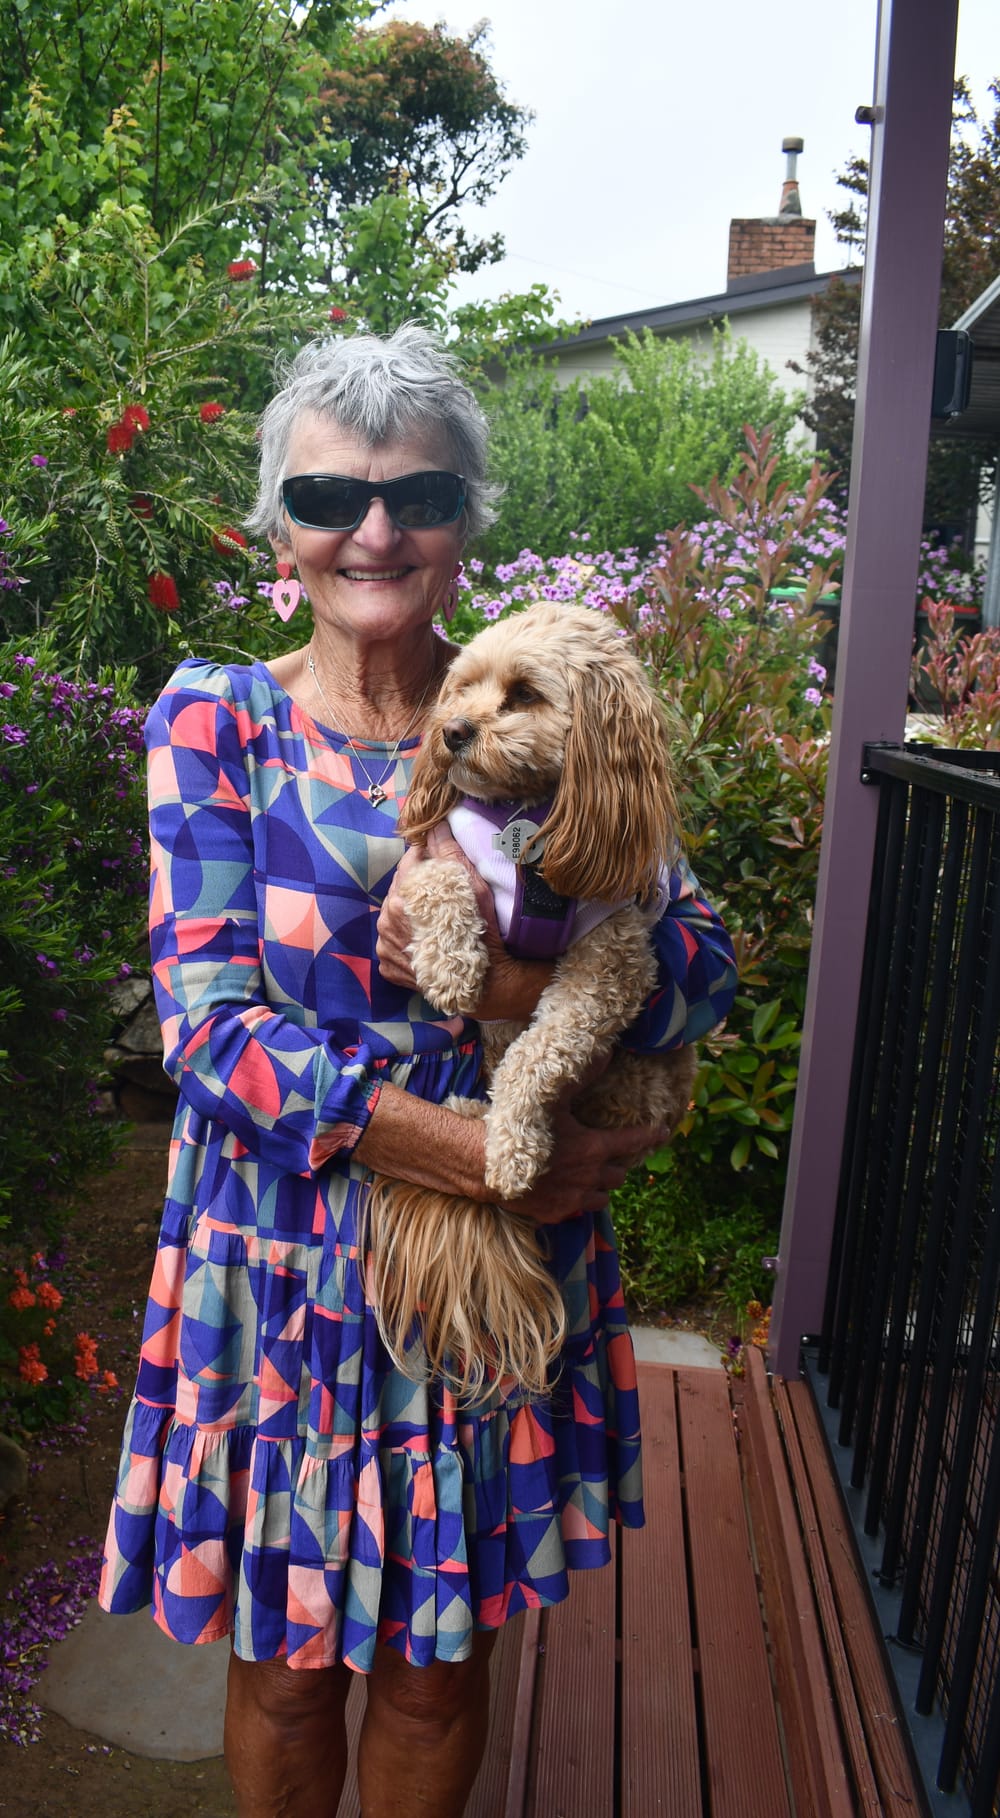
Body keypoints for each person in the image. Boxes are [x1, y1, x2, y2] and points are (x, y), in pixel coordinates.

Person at [99, 323, 737, 1818]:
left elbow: (696, 956)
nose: (372, 532)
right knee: (289, 1665)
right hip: (289, 1275)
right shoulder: (220, 725)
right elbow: (208, 1030)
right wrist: (480, 1151)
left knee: (438, 1666)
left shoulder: (539, 706)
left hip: (494, 1275)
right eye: (327, 499)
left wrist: (524, 988)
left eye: (417, 495)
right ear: (279, 528)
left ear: (465, 524)